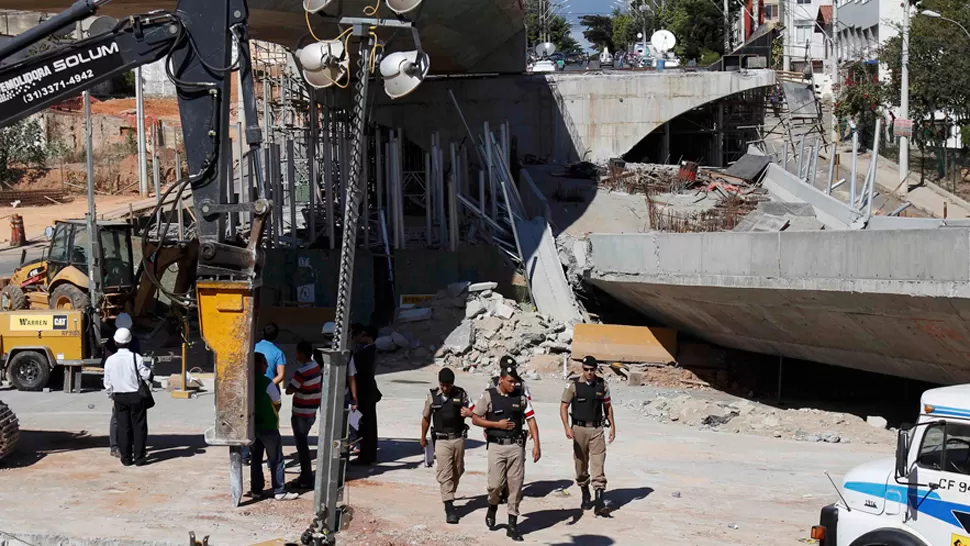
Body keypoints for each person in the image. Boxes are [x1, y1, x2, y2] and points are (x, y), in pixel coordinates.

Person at [471, 363, 541, 542]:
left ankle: (512, 524)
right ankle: (492, 506)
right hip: (496, 447)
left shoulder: (521, 397)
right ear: (501, 379)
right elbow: (476, 419)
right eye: (509, 381)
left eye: (515, 381)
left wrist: (537, 444)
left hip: (516, 447)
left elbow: (531, 418)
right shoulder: (489, 396)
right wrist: (496, 425)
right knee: (495, 485)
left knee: (516, 487)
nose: (513, 385)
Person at [560, 355, 616, 515]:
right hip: (579, 429)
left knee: (598, 463)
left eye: (592, 370)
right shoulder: (574, 385)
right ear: (582, 369)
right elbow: (564, 406)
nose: (589, 372)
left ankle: (599, 501)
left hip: (597, 430)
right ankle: (585, 490)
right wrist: (566, 427)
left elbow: (608, 406)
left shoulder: (602, 385)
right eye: (586, 370)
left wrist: (612, 426)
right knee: (580, 465)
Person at [420, 367, 473, 524]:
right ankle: (449, 506)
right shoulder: (432, 396)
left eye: (447, 385)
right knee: (445, 472)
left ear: (452, 384)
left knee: (458, 469)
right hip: (441, 440)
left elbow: (474, 410)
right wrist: (422, 437)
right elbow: (426, 417)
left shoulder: (461, 394)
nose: (445, 388)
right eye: (442, 385)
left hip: (458, 439)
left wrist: (470, 414)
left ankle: (450, 492)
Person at [251, 352, 299, 501]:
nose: (266, 366)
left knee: (256, 459)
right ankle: (279, 490)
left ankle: (256, 491)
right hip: (268, 426)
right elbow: (277, 402)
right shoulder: (267, 382)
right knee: (276, 459)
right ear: (258, 364)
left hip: (253, 427)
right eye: (264, 362)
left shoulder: (247, 381)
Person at [103, 327, 151, 467]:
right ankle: (140, 458)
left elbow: (107, 382)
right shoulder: (136, 358)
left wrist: (111, 395)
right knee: (139, 427)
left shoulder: (110, 360)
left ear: (116, 342)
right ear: (130, 341)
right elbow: (146, 374)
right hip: (136, 396)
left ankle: (126, 458)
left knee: (124, 428)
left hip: (119, 397)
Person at [285, 340, 320, 488]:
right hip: (311, 410)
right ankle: (305, 475)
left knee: (302, 446)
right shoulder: (317, 367)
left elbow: (289, 390)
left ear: (301, 353)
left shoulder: (301, 372)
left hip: (301, 412)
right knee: (303, 442)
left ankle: (305, 477)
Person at [107, 313, 141, 458]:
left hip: (117, 388)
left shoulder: (110, 343)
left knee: (117, 419)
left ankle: (116, 447)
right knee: (132, 420)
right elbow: (140, 367)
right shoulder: (135, 342)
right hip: (132, 387)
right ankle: (126, 446)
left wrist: (110, 390)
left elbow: (106, 367)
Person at [350, 324, 381, 465]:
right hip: (369, 392)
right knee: (369, 424)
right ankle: (368, 452)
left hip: (365, 393)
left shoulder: (364, 354)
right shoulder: (370, 351)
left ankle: (366, 455)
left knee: (365, 425)